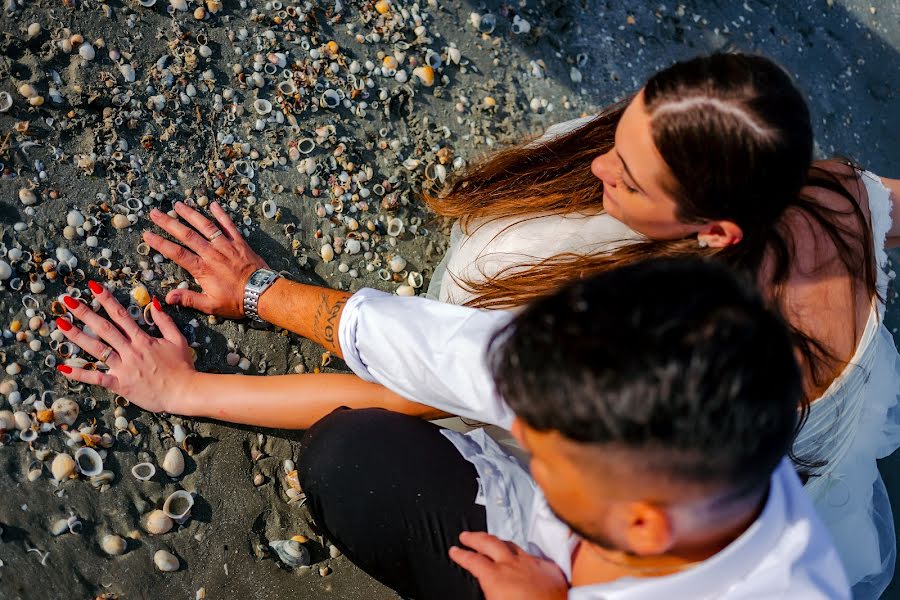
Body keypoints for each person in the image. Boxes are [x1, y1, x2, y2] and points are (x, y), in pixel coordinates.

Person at [55, 51, 900, 596]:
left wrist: (192, 385)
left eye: (630, 178)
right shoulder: (827, 192)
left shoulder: (662, 411)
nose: (599, 162)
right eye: (623, 133)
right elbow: (458, 360)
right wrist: (259, 293)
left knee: (355, 461)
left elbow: (428, 387)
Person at [57, 258, 852, 598]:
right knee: (353, 454)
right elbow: (425, 369)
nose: (517, 430)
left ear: (637, 523)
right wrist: (192, 383)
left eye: (540, 444)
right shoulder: (617, 385)